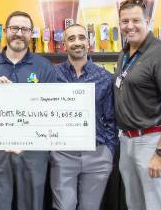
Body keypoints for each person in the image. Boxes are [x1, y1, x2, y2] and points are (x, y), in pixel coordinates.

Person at [0, 11, 57, 210]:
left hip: (33, 148)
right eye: (14, 28)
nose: (19, 33)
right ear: (6, 31)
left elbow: (53, 109)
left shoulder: (44, 67)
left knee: (32, 203)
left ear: (31, 34)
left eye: (24, 29)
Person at [114, 0, 161, 210]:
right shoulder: (125, 53)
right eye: (125, 21)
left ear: (147, 21)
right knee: (134, 205)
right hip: (127, 141)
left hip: (152, 142)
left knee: (157, 206)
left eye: (136, 20)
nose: (130, 25)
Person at [50, 24, 118, 210]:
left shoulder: (104, 77)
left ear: (89, 43)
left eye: (81, 38)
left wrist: (109, 152)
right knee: (64, 207)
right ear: (64, 45)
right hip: (63, 153)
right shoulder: (52, 75)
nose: (77, 42)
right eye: (71, 39)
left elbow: (111, 119)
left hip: (97, 154)